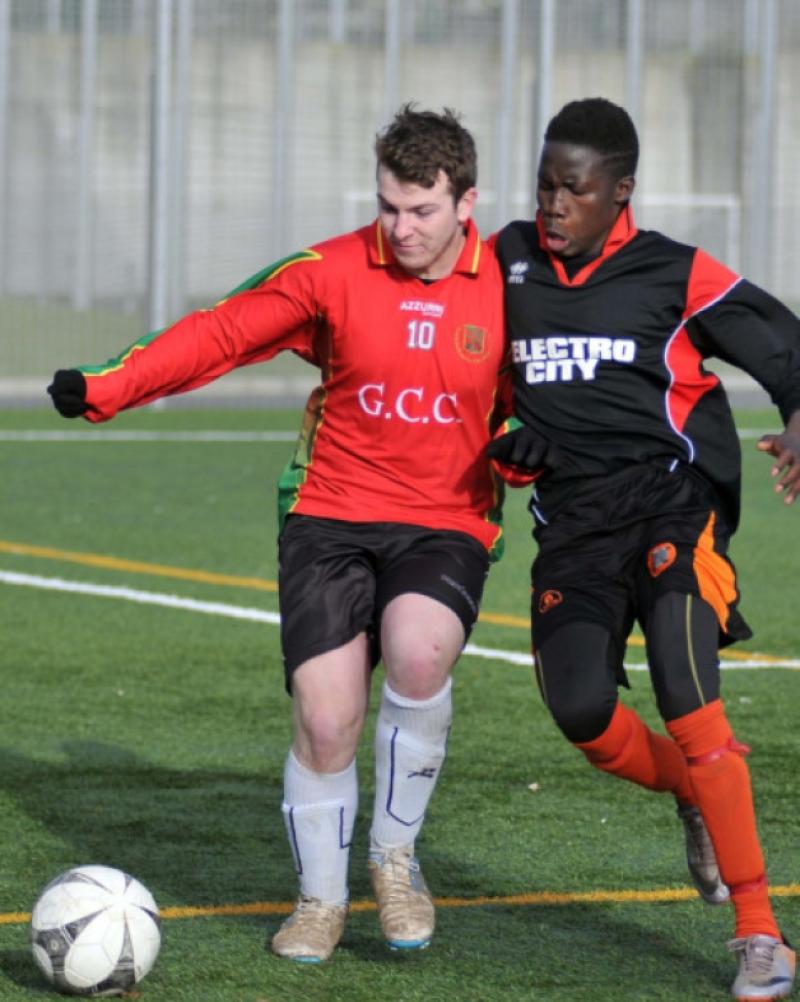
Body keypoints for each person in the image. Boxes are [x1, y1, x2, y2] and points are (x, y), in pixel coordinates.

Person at [48, 105, 510, 963]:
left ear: (467, 203)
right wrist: (108, 386)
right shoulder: (330, 269)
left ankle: (395, 859)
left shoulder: (514, 283)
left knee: (417, 651)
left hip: (446, 517)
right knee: (326, 717)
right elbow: (221, 332)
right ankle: (320, 901)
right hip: (330, 511)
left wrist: (534, 456)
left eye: (422, 211)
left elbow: (552, 394)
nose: (401, 228)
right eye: (387, 207)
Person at [489, 97, 799, 1001]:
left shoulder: (676, 272)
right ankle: (696, 794)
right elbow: (475, 372)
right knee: (584, 714)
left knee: (687, 691)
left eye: (573, 190)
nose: (552, 204)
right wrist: (509, 436)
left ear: (619, 192)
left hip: (674, 506)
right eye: (544, 184)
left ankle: (762, 934)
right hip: (574, 529)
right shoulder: (504, 262)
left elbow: (782, 345)